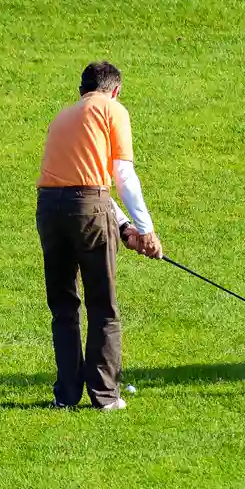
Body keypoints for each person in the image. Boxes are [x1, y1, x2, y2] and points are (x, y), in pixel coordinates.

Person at [35, 60, 163, 410]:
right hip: (87, 209)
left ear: (82, 90)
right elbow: (121, 177)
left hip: (49, 209)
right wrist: (147, 230)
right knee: (103, 305)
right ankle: (106, 396)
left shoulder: (63, 116)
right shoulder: (113, 110)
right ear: (115, 90)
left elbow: (88, 185)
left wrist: (124, 228)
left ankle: (66, 396)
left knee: (64, 306)